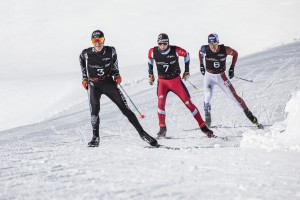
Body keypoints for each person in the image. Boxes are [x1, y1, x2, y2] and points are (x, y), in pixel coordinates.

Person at [79, 30, 158, 147]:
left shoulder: (111, 50)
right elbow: (81, 59)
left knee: (125, 109)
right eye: (95, 41)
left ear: (103, 40)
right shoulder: (86, 53)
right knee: (94, 112)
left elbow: (115, 60)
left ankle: (143, 134)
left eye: (100, 40)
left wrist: (116, 74)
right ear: (92, 42)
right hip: (94, 85)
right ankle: (95, 138)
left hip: (108, 82)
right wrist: (85, 78)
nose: (97, 43)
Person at [147, 33, 214, 138]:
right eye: (160, 43)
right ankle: (162, 128)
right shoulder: (153, 51)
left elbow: (186, 55)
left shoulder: (175, 50)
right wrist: (150, 73)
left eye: (164, 43)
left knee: (188, 103)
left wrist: (187, 71)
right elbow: (149, 59)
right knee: (160, 103)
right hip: (162, 82)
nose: (162, 46)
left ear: (168, 43)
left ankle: (203, 127)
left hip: (175, 82)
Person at [198, 33, 262, 128]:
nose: (213, 47)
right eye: (211, 45)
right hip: (209, 77)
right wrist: (201, 65)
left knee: (234, 96)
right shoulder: (205, 49)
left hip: (221, 76)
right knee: (207, 96)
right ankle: (207, 115)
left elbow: (235, 54)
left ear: (218, 43)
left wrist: (232, 67)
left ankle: (249, 115)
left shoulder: (225, 50)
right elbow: (200, 53)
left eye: (215, 45)